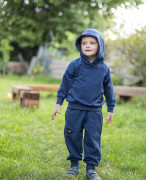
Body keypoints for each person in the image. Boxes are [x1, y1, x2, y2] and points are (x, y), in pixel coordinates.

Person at [51, 28, 116, 180]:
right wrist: (58, 103)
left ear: (100, 45)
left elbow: (109, 89)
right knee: (72, 136)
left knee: (93, 139)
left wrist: (110, 108)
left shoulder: (104, 68)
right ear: (79, 45)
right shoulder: (75, 65)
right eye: (84, 43)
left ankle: (91, 169)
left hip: (94, 111)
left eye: (92, 43)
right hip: (74, 109)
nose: (87, 45)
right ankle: (74, 165)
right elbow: (64, 85)